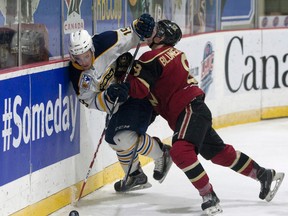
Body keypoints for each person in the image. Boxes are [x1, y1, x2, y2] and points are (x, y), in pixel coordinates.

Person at [117, 20, 285, 215]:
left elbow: (139, 90)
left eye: (158, 31)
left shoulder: (151, 57)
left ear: (164, 37)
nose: (154, 33)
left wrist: (124, 77)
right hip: (195, 111)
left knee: (180, 151)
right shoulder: (171, 55)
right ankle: (262, 174)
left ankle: (208, 195)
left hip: (189, 110)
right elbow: (157, 91)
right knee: (220, 153)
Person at [68, 14, 172, 192]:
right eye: (79, 59)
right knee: (112, 137)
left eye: (86, 56)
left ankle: (162, 153)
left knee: (121, 137)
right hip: (118, 101)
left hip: (138, 90)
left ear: (92, 48)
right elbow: (89, 100)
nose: (84, 62)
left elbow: (132, 34)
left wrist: (141, 25)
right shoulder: (77, 76)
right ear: (72, 57)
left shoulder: (105, 42)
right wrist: (108, 96)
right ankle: (134, 175)